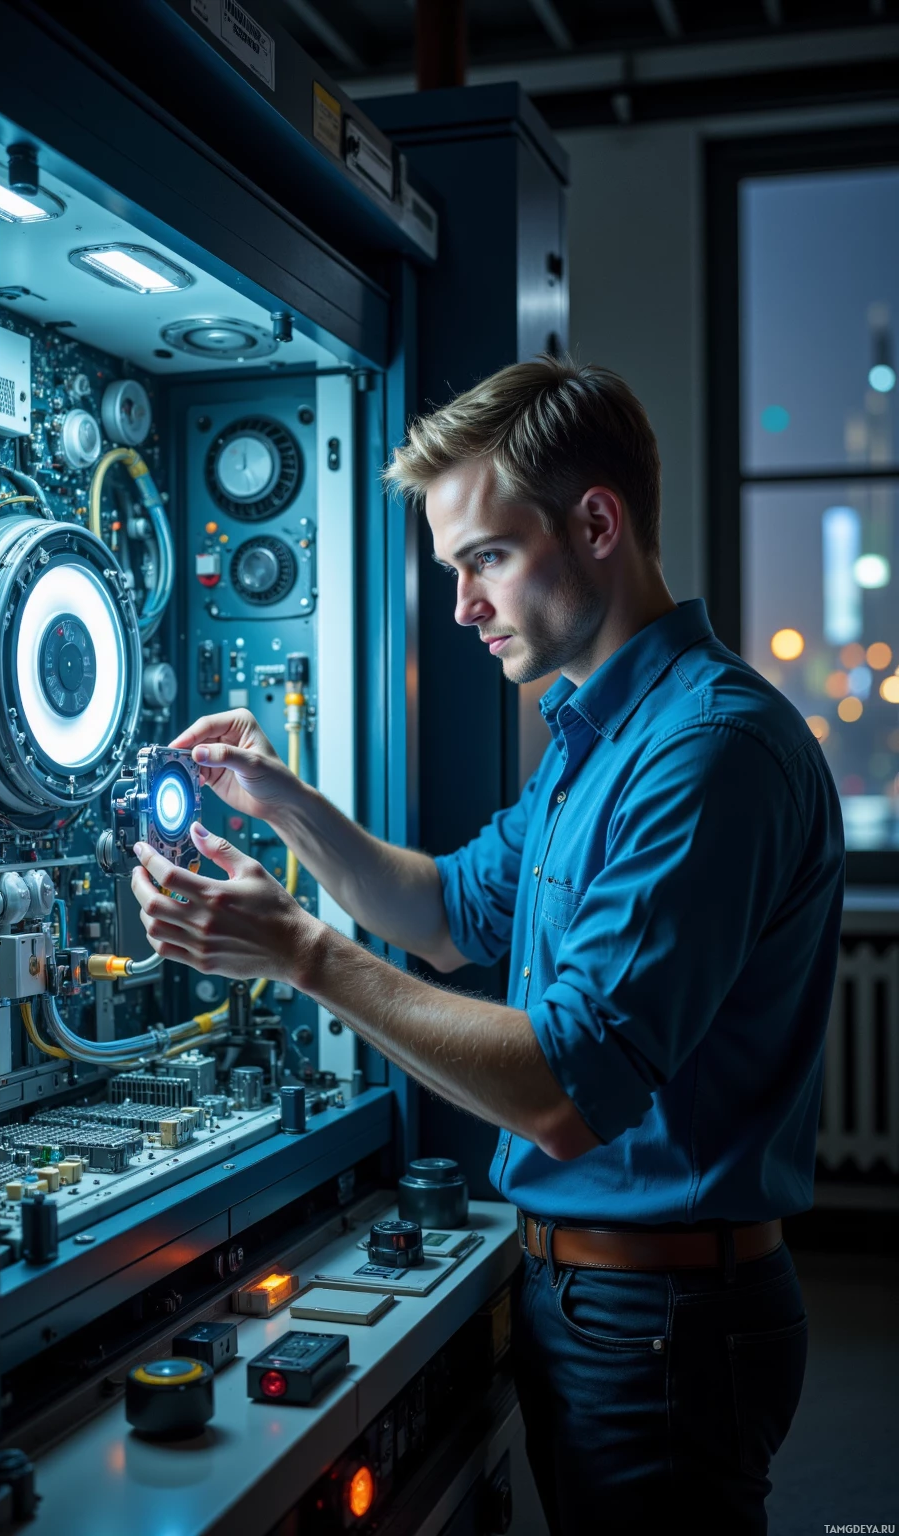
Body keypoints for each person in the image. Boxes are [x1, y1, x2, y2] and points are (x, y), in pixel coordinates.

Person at [129, 357, 845, 1535]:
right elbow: (448, 913)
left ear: (598, 523)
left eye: (485, 559)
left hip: (661, 1317)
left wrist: (301, 953)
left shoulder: (708, 754)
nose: (461, 605)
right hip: (592, 1296)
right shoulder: (591, 736)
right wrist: (286, 804)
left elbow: (567, 1089)